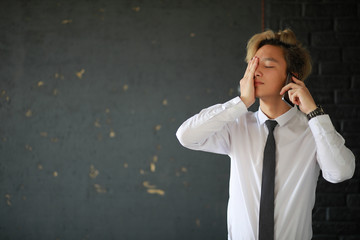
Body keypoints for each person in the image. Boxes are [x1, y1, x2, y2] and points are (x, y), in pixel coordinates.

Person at [176, 29, 355, 240]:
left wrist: (314, 113)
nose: (256, 72)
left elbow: (340, 172)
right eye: (253, 64)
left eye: (268, 65)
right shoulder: (237, 126)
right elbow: (187, 136)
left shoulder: (313, 130)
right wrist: (241, 102)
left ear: (291, 76)